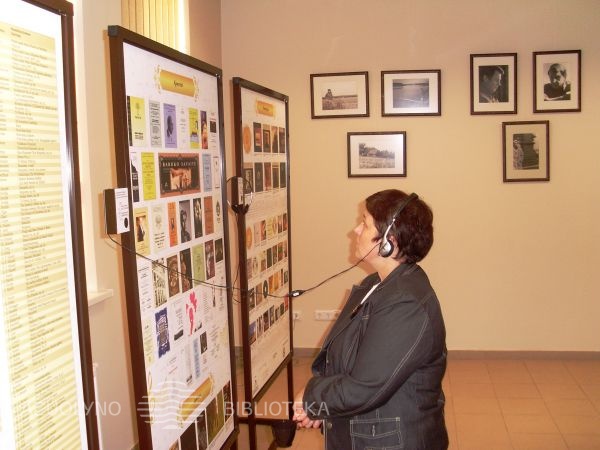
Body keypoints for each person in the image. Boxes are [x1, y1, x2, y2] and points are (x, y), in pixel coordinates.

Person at [293, 189, 448, 450]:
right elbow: (344, 359)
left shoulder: (405, 303)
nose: (355, 230)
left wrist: (312, 397)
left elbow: (366, 388)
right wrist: (324, 406)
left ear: (389, 241)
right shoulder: (375, 285)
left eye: (364, 223)